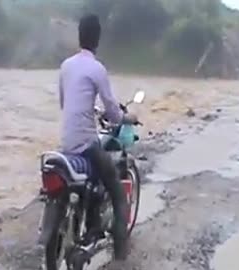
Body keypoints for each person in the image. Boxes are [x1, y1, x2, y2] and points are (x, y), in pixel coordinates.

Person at [58, 14, 137, 260]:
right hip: (85, 145)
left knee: (93, 178)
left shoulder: (66, 66)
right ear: (98, 39)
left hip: (66, 144)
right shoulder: (97, 68)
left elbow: (65, 102)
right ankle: (121, 254)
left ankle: (90, 223)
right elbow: (113, 112)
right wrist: (128, 118)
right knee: (116, 190)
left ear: (79, 36)